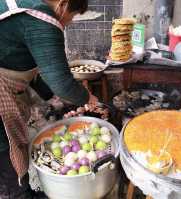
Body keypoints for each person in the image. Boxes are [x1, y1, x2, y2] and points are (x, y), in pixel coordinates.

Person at [0, 0, 98, 198]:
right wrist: (89, 98)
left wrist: (50, 96)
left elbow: (26, 62)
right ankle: (18, 193)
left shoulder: (23, 4)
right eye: (73, 15)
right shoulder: (41, 20)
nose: (69, 22)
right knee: (5, 147)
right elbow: (62, 83)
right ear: (63, 4)